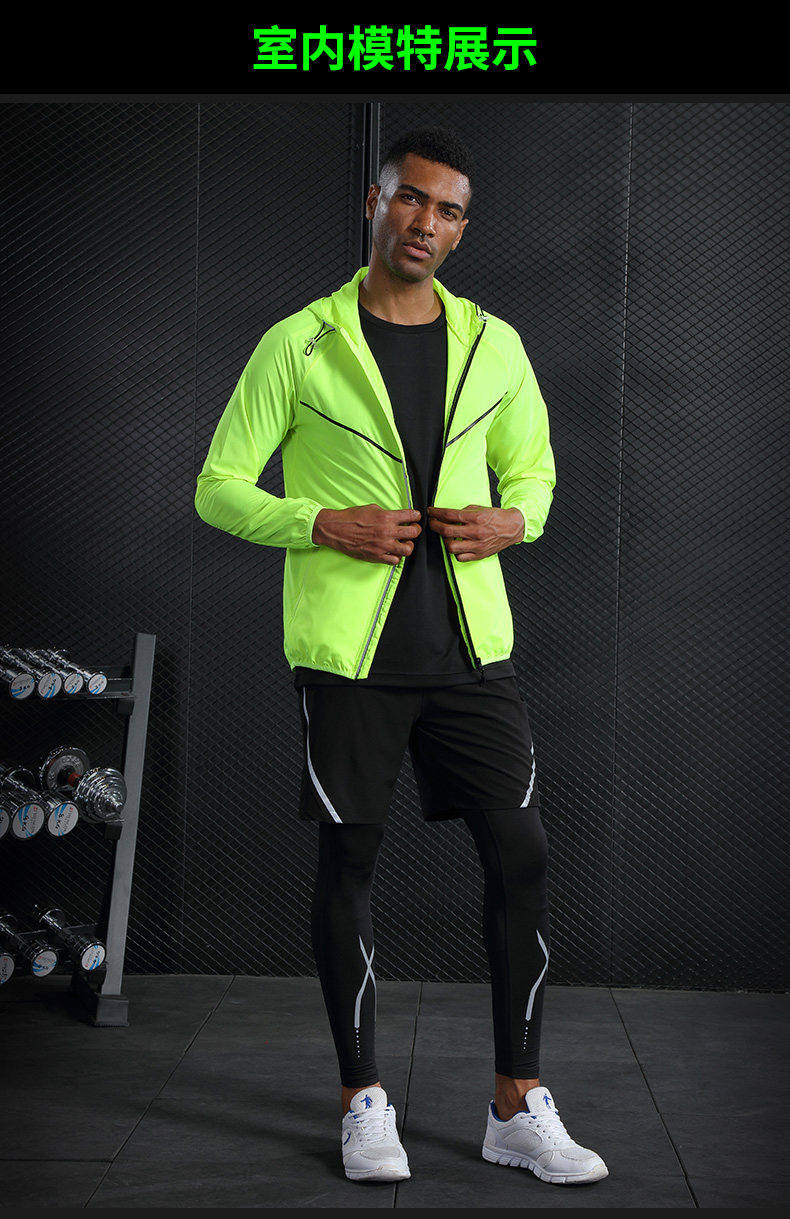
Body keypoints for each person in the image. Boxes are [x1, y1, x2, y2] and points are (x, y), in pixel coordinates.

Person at [195, 127, 608, 1188]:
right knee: (349, 865)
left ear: (462, 229)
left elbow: (537, 475)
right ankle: (362, 1100)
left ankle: (515, 1104)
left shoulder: (494, 343)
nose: (427, 222)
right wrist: (320, 522)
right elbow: (218, 486)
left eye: (449, 210)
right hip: (351, 656)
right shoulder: (299, 342)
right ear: (375, 205)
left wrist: (513, 521)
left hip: (472, 651)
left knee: (522, 854)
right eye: (412, 200)